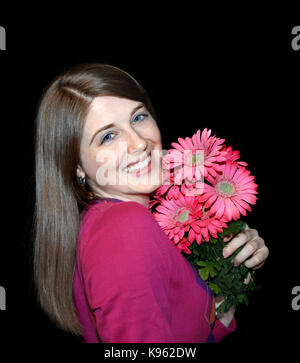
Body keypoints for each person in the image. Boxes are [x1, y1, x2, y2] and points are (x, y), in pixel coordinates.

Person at [33, 63, 269, 343]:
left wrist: (226, 288)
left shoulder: (112, 223)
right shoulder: (123, 228)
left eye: (138, 117)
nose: (139, 143)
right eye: (108, 136)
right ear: (76, 166)